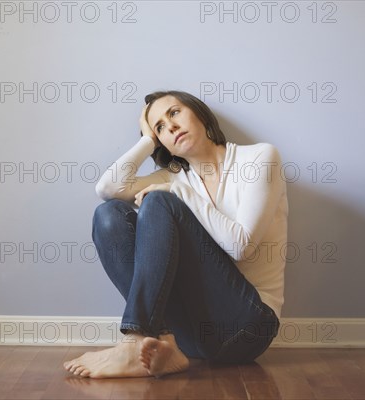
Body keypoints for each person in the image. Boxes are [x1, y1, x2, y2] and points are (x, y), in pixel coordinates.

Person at [63, 90, 288, 379]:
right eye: (159, 127)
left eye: (174, 113)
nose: (169, 126)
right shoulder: (173, 177)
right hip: (189, 339)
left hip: (248, 326)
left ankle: (135, 338)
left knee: (159, 201)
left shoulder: (258, 157)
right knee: (108, 216)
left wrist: (177, 193)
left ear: (200, 114)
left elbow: (241, 246)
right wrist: (147, 141)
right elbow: (107, 190)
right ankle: (159, 338)